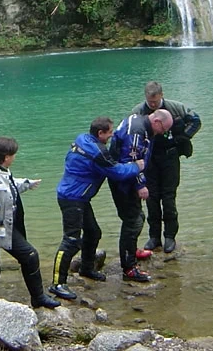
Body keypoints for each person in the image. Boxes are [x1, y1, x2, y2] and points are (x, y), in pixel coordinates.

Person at [49, 117, 145, 300]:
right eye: (109, 132)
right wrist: (136, 166)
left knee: (93, 232)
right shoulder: (97, 152)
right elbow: (117, 173)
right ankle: (57, 284)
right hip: (72, 199)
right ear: (100, 133)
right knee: (70, 240)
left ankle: (86, 268)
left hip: (79, 197)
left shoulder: (83, 138)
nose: (112, 135)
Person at [0, 137, 61, 309]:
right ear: (6, 156)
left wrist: (26, 184)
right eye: (13, 155)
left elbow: (7, 187)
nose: (15, 158)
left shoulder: (2, 169)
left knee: (30, 256)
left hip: (5, 228)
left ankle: (38, 297)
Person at [133, 81, 201, 254]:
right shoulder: (139, 111)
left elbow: (196, 120)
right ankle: (154, 236)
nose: (153, 104)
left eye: (155, 101)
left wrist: (184, 137)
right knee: (151, 198)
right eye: (150, 101)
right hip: (150, 160)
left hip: (170, 157)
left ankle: (170, 236)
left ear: (161, 95)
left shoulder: (176, 107)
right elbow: (132, 131)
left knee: (169, 198)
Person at [108, 109, 173, 282]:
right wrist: (140, 185)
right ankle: (129, 268)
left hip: (125, 177)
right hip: (122, 180)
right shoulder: (136, 132)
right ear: (157, 121)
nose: (163, 133)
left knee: (136, 216)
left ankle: (132, 250)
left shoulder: (141, 124)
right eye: (163, 129)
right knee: (133, 220)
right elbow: (130, 161)